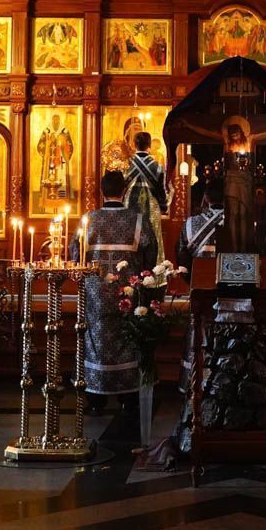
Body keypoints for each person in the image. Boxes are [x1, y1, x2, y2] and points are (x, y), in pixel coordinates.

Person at [73, 171, 156, 408]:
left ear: (101, 191)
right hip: (127, 293)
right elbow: (151, 255)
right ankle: (127, 398)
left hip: (95, 295)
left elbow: (75, 254)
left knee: (95, 340)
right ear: (124, 191)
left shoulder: (88, 219)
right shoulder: (138, 219)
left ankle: (95, 400)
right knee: (126, 338)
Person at [176, 175, 224, 393]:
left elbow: (182, 261)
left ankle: (194, 385)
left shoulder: (190, 223)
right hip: (230, 294)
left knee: (198, 335)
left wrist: (194, 283)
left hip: (200, 296)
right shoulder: (239, 222)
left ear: (206, 197)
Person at [125, 131, 168, 263]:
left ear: (134, 144)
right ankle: (155, 272)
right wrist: (163, 207)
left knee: (130, 238)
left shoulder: (126, 164)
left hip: (128, 207)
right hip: (151, 209)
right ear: (149, 145)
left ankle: (129, 269)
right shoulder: (158, 167)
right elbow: (162, 192)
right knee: (152, 239)